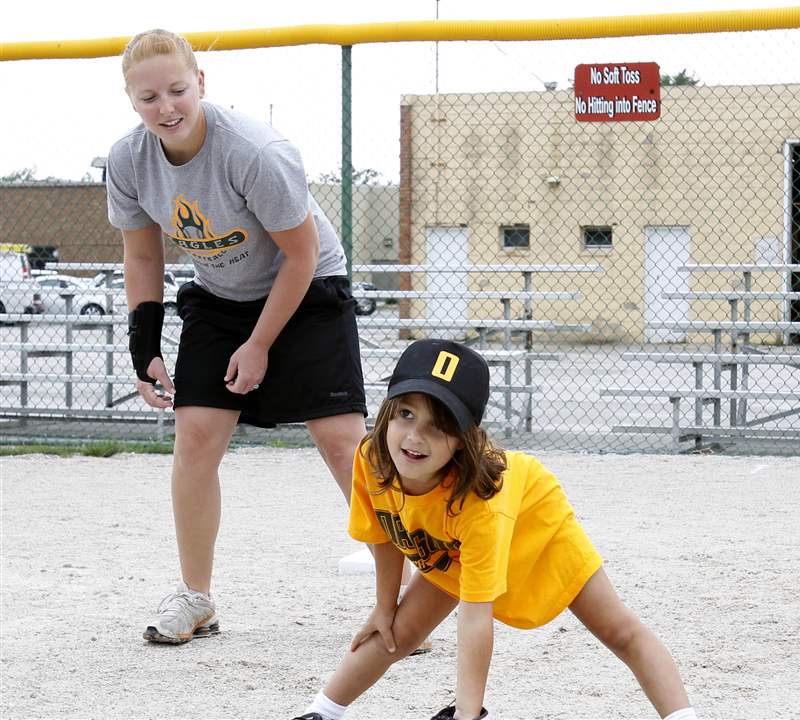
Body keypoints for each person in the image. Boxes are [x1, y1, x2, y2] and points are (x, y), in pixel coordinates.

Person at [106, 29, 368, 644]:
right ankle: (197, 597)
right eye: (149, 98)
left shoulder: (255, 151)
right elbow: (142, 258)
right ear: (131, 100)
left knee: (340, 442)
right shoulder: (127, 161)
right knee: (195, 438)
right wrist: (144, 347)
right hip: (222, 299)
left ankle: (404, 593)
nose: (166, 107)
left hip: (306, 290)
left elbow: (302, 259)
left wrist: (260, 345)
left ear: (201, 83)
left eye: (177, 90)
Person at [292, 339, 698, 720]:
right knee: (396, 629)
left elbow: (474, 618)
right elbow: (386, 532)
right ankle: (321, 713)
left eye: (440, 425)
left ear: (464, 440)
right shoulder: (372, 457)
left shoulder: (482, 501)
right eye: (406, 413)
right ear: (387, 411)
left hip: (533, 529)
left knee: (619, 631)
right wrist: (384, 605)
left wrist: (469, 713)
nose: (415, 436)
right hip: (452, 541)